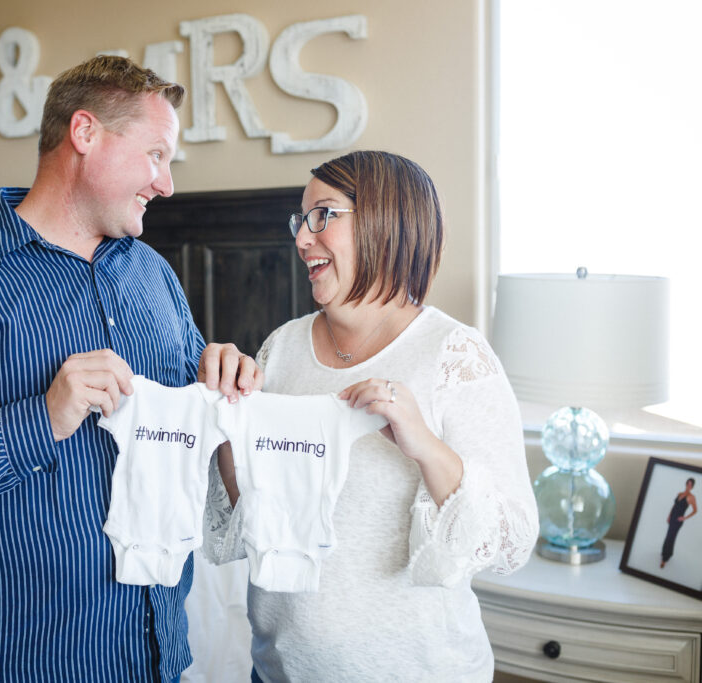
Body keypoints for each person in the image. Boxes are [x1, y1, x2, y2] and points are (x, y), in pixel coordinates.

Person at [0, 55, 259, 683]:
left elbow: (190, 429)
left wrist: (220, 386)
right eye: (156, 155)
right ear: (84, 134)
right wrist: (40, 419)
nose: (166, 184)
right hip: (19, 663)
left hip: (156, 654)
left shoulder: (153, 276)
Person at [205, 150, 538, 681]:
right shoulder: (280, 349)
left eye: (323, 215)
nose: (301, 239)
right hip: (278, 671)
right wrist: (225, 422)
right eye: (301, 219)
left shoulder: (455, 356)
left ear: (386, 221)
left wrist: (424, 444)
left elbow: (511, 542)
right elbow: (252, 517)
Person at [661, 478, 697, 568]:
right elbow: (674, 506)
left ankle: (665, 559)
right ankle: (667, 553)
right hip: (672, 517)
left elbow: (695, 510)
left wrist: (684, 517)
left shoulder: (691, 497)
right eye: (688, 483)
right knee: (668, 535)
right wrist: (669, 515)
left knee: (671, 537)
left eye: (690, 484)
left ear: (692, 486)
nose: (688, 485)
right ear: (686, 484)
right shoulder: (680, 494)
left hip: (678, 520)